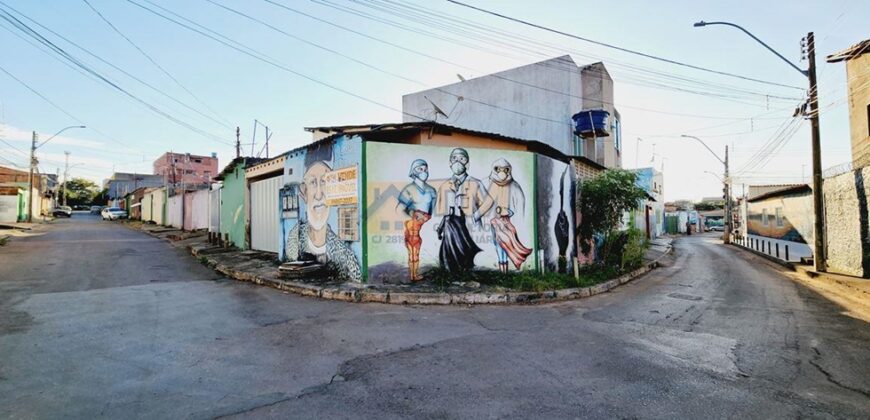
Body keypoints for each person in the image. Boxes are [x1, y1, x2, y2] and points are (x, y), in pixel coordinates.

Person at [284, 149, 361, 282]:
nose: (319, 195)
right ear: (304, 192)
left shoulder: (345, 256)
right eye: (313, 182)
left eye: (325, 181)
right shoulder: (293, 240)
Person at [482, 158, 531, 272]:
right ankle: (503, 269)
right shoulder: (486, 183)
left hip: (506, 222)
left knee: (506, 244)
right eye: (498, 169)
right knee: (498, 244)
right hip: (494, 222)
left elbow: (519, 207)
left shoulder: (514, 186)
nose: (502, 172)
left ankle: (504, 269)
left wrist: (507, 212)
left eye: (505, 169)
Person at [397, 159, 437, 281]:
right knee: (412, 250)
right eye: (420, 169)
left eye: (425, 169)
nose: (424, 172)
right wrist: (413, 213)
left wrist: (426, 218)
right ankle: (413, 274)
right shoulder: (409, 190)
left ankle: (415, 274)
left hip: (424, 225)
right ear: (413, 171)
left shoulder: (432, 191)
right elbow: (399, 209)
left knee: (418, 249)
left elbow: (432, 211)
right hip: (412, 226)